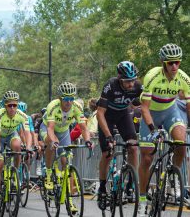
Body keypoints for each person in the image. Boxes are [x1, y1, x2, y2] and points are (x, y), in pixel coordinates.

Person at [138, 43, 190, 216]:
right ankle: (143, 197)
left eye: (177, 62)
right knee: (146, 158)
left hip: (170, 110)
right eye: (170, 63)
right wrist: (153, 129)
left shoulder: (184, 78)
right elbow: (143, 108)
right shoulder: (152, 76)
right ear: (163, 63)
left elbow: (188, 107)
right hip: (151, 113)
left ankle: (174, 176)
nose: (174, 66)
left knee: (181, 143)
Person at [40, 82, 92, 213]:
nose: (69, 102)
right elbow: (50, 129)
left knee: (66, 163)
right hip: (47, 128)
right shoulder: (53, 106)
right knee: (51, 144)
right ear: (60, 98)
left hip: (63, 131)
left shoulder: (77, 107)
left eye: (71, 98)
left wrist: (88, 141)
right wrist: (53, 141)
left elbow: (83, 127)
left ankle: (69, 201)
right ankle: (48, 173)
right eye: (66, 99)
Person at [96, 61, 142, 210]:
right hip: (107, 117)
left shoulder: (137, 86)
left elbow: (140, 105)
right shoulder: (111, 86)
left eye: (133, 80)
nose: (130, 84)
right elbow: (100, 114)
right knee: (107, 153)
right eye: (127, 81)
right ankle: (102, 188)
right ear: (119, 78)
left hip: (123, 115)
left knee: (133, 147)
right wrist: (109, 136)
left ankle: (131, 184)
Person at [0, 91, 32, 211]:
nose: (12, 108)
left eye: (15, 105)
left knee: (18, 146)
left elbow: (27, 133)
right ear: (5, 105)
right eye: (10, 105)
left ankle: (16, 173)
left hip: (10, 135)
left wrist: (28, 147)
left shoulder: (22, 115)